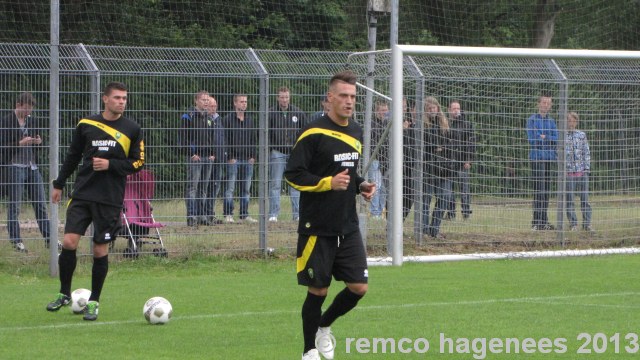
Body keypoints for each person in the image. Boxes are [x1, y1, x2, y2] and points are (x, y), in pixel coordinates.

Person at [285, 70, 376, 360]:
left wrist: (361, 184)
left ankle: (324, 326)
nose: (349, 102)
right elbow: (293, 175)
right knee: (318, 291)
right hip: (317, 226)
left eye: (353, 97)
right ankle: (308, 350)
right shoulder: (313, 133)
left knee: (359, 287)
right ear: (330, 98)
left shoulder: (356, 131)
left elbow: (348, 172)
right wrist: (327, 183)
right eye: (344, 96)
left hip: (347, 225)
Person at [46, 82, 144, 321]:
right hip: (82, 193)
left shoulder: (132, 128)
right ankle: (64, 293)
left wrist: (111, 165)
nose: (122, 101)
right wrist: (59, 183)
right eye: (117, 98)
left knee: (99, 249)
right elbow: (73, 155)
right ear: (105, 99)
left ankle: (94, 302)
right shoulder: (86, 124)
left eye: (124, 98)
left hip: (109, 199)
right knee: (69, 242)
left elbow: (139, 162)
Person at [0, 92, 52, 253]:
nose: (28, 112)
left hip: (32, 167)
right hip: (14, 167)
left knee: (41, 205)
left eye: (30, 110)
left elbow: (39, 145)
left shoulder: (33, 121)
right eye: (26, 109)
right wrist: (20, 143)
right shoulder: (6, 122)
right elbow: (2, 147)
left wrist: (38, 142)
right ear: (18, 105)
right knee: (14, 206)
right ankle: (16, 241)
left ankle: (50, 239)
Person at [268, 86, 307, 222]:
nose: (284, 100)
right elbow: (265, 133)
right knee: (275, 184)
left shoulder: (298, 113)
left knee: (295, 184)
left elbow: (304, 133)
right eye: (282, 97)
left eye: (286, 97)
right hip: (277, 153)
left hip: (294, 154)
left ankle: (297, 215)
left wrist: (300, 150)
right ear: (277, 98)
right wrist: (270, 149)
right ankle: (273, 214)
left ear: (289, 98)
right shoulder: (270, 113)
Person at [180, 90, 214, 227]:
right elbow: (183, 138)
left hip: (208, 157)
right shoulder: (188, 116)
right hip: (195, 158)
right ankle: (191, 216)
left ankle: (202, 216)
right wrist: (191, 153)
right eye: (203, 100)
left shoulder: (209, 118)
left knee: (203, 188)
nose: (206, 102)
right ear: (196, 101)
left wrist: (212, 153)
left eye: (207, 100)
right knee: (192, 187)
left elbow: (212, 137)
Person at [422, 96, 453, 239]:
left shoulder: (445, 125)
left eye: (434, 108)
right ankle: (423, 231)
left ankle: (434, 229)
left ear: (438, 109)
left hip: (443, 168)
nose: (432, 110)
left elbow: (449, 145)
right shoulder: (422, 125)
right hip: (427, 167)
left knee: (444, 197)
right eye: (429, 108)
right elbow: (426, 145)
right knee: (425, 200)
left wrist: (440, 149)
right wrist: (436, 147)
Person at [223, 94, 257, 223]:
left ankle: (244, 214)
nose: (244, 104)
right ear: (235, 103)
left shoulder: (249, 120)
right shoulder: (227, 120)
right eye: (241, 101)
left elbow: (253, 139)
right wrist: (229, 156)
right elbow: (225, 139)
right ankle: (228, 214)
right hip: (233, 159)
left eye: (245, 102)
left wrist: (253, 156)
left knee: (246, 188)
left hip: (248, 159)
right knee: (230, 188)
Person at [526, 94, 558, 231]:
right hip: (537, 158)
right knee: (539, 190)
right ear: (538, 104)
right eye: (544, 102)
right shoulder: (532, 120)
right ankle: (536, 221)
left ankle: (544, 221)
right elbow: (532, 139)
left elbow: (556, 138)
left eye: (548, 103)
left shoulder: (551, 122)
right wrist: (545, 138)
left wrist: (544, 137)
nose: (546, 105)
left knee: (546, 192)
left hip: (549, 158)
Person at [446, 100, 476, 220]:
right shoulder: (446, 123)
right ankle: (451, 213)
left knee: (464, 189)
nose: (456, 110)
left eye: (458, 108)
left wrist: (469, 160)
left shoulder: (467, 124)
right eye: (454, 108)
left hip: (463, 161)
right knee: (450, 190)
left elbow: (471, 144)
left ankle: (466, 213)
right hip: (449, 162)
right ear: (449, 110)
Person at [564, 111, 592, 232]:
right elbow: (558, 153)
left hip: (582, 172)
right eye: (569, 120)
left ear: (576, 122)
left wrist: (586, 168)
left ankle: (587, 224)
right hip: (569, 173)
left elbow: (586, 152)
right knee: (570, 200)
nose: (571, 123)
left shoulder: (582, 135)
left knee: (585, 199)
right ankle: (573, 224)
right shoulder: (562, 136)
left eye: (573, 120)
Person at [202, 95, 225, 225]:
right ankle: (204, 214)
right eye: (211, 105)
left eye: (215, 105)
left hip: (219, 159)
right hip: (209, 158)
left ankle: (211, 213)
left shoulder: (219, 120)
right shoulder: (204, 120)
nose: (213, 108)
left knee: (215, 187)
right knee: (206, 186)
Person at [368, 100, 389, 220]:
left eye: (386, 110)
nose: (384, 113)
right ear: (377, 111)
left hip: (386, 159)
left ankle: (381, 210)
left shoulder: (389, 123)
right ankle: (375, 212)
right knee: (376, 185)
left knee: (385, 187)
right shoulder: (371, 124)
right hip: (375, 158)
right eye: (382, 110)